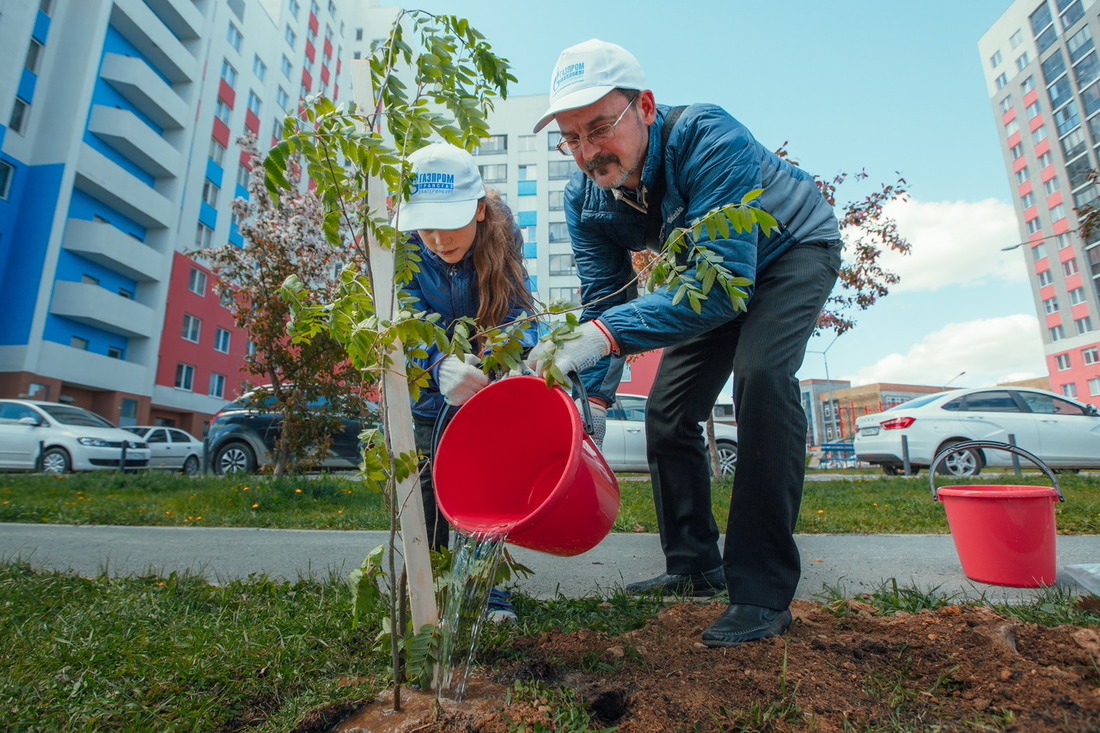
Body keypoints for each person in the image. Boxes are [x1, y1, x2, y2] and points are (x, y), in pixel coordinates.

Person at [526, 39, 843, 647]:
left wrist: (602, 336)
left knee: (761, 376)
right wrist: (589, 402)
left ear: (644, 105)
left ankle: (761, 592)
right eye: (572, 138)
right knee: (669, 413)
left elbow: (719, 291)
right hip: (708, 278)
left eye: (599, 128)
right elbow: (604, 299)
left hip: (791, 251)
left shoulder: (706, 133)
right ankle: (695, 564)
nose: (588, 152)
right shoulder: (584, 198)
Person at [399, 142, 537, 622]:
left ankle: (485, 597)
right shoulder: (401, 247)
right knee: (428, 497)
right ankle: (429, 596)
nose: (437, 238)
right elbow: (400, 318)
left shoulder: (503, 234)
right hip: (423, 397)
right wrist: (436, 364)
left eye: (451, 221)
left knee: (485, 489)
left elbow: (520, 309)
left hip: (484, 392)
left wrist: (508, 358)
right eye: (426, 224)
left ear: (479, 209)